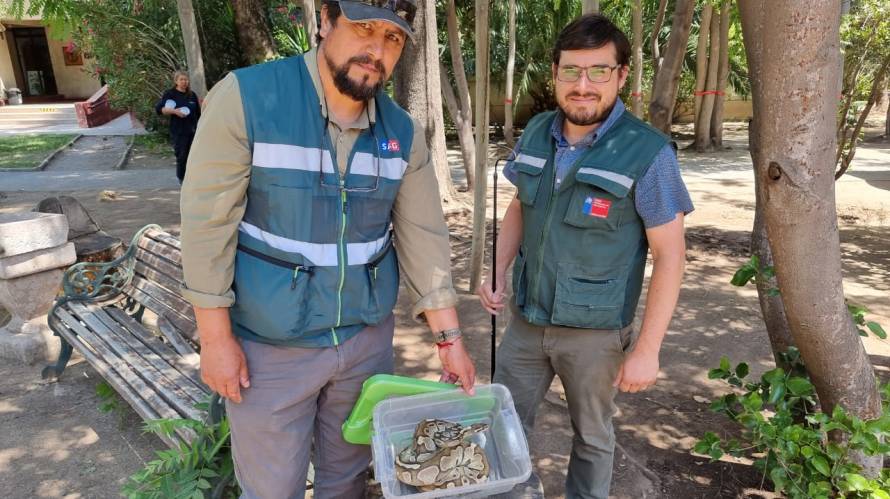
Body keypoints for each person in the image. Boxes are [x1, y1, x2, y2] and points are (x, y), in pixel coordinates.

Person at [179, 1, 477, 497]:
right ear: (324, 21)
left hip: (365, 345)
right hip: (269, 348)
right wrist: (215, 340)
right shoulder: (249, 99)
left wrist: (450, 340)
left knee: (347, 481)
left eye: (393, 39)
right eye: (363, 29)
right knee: (273, 490)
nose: (376, 50)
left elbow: (425, 236)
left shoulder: (402, 133)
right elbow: (207, 225)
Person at [477, 14, 693, 499]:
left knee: (594, 439)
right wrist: (497, 270)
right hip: (527, 323)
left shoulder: (648, 152)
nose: (583, 85)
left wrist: (647, 351)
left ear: (620, 76)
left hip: (596, 335)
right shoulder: (535, 131)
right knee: (502, 426)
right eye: (571, 71)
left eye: (598, 71)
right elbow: (519, 207)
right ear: (554, 74)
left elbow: (671, 257)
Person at [155, 70, 200, 183]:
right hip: (179, 131)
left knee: (193, 156)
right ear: (176, 81)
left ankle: (192, 179)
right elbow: (160, 109)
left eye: (186, 79)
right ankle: (182, 179)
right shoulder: (170, 94)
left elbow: (198, 113)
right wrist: (174, 111)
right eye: (181, 79)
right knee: (182, 155)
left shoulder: (192, 95)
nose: (184, 82)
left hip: (193, 130)